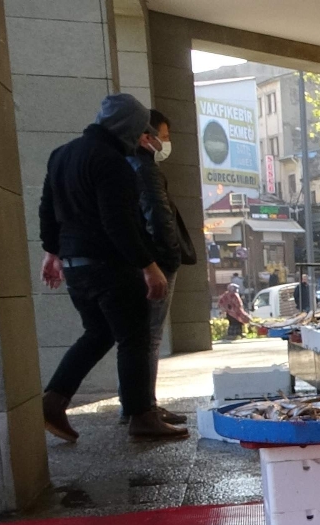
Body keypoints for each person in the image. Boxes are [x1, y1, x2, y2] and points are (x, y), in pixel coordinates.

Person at [40, 93, 187, 442]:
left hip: (76, 265)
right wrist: (148, 265)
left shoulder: (61, 155)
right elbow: (118, 222)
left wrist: (52, 252)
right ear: (128, 126)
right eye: (139, 129)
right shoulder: (112, 162)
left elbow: (48, 207)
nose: (142, 137)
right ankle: (141, 415)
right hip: (110, 265)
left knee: (99, 332)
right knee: (134, 337)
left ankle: (53, 400)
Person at [128, 107, 195, 427]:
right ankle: (145, 408)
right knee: (150, 337)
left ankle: (136, 405)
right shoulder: (146, 169)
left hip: (140, 261)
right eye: (163, 137)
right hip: (156, 262)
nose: (166, 144)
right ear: (146, 137)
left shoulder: (125, 167)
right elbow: (159, 216)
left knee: (137, 337)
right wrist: (167, 259)